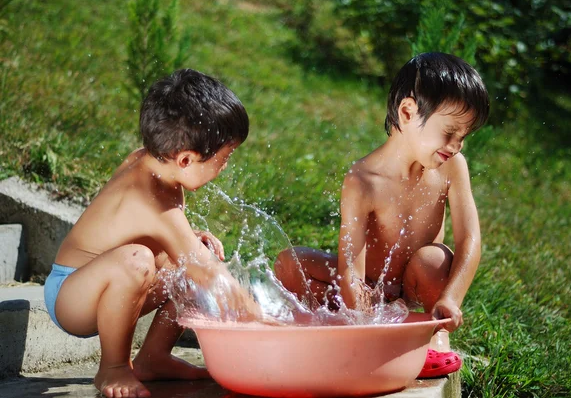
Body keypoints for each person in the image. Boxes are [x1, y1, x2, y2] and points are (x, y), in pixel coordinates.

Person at [44, 69, 260, 398]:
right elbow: (212, 278)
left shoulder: (155, 164)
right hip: (72, 296)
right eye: (225, 157)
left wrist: (189, 238)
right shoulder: (152, 197)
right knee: (147, 261)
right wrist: (267, 322)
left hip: (104, 280)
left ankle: (154, 359)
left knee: (188, 260)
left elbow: (140, 229)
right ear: (186, 159)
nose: (226, 166)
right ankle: (113, 368)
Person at [274, 52, 489, 378]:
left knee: (434, 260)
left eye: (463, 137)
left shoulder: (451, 167)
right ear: (407, 112)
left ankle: (435, 334)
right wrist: (364, 321)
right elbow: (350, 269)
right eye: (450, 133)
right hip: (367, 290)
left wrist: (450, 299)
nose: (457, 146)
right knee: (289, 265)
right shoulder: (363, 181)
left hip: (416, 286)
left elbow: (469, 238)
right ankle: (349, 323)